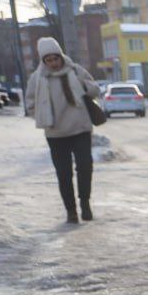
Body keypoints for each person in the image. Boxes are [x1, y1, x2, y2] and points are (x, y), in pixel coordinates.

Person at [25, 37, 100, 224]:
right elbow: (30, 103)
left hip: (80, 128)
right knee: (63, 173)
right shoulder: (37, 78)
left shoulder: (75, 71)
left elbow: (95, 89)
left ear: (60, 56)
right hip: (55, 133)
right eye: (48, 60)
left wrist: (85, 86)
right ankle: (71, 211)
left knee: (85, 167)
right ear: (43, 61)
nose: (53, 63)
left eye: (55, 58)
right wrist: (42, 116)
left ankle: (85, 203)